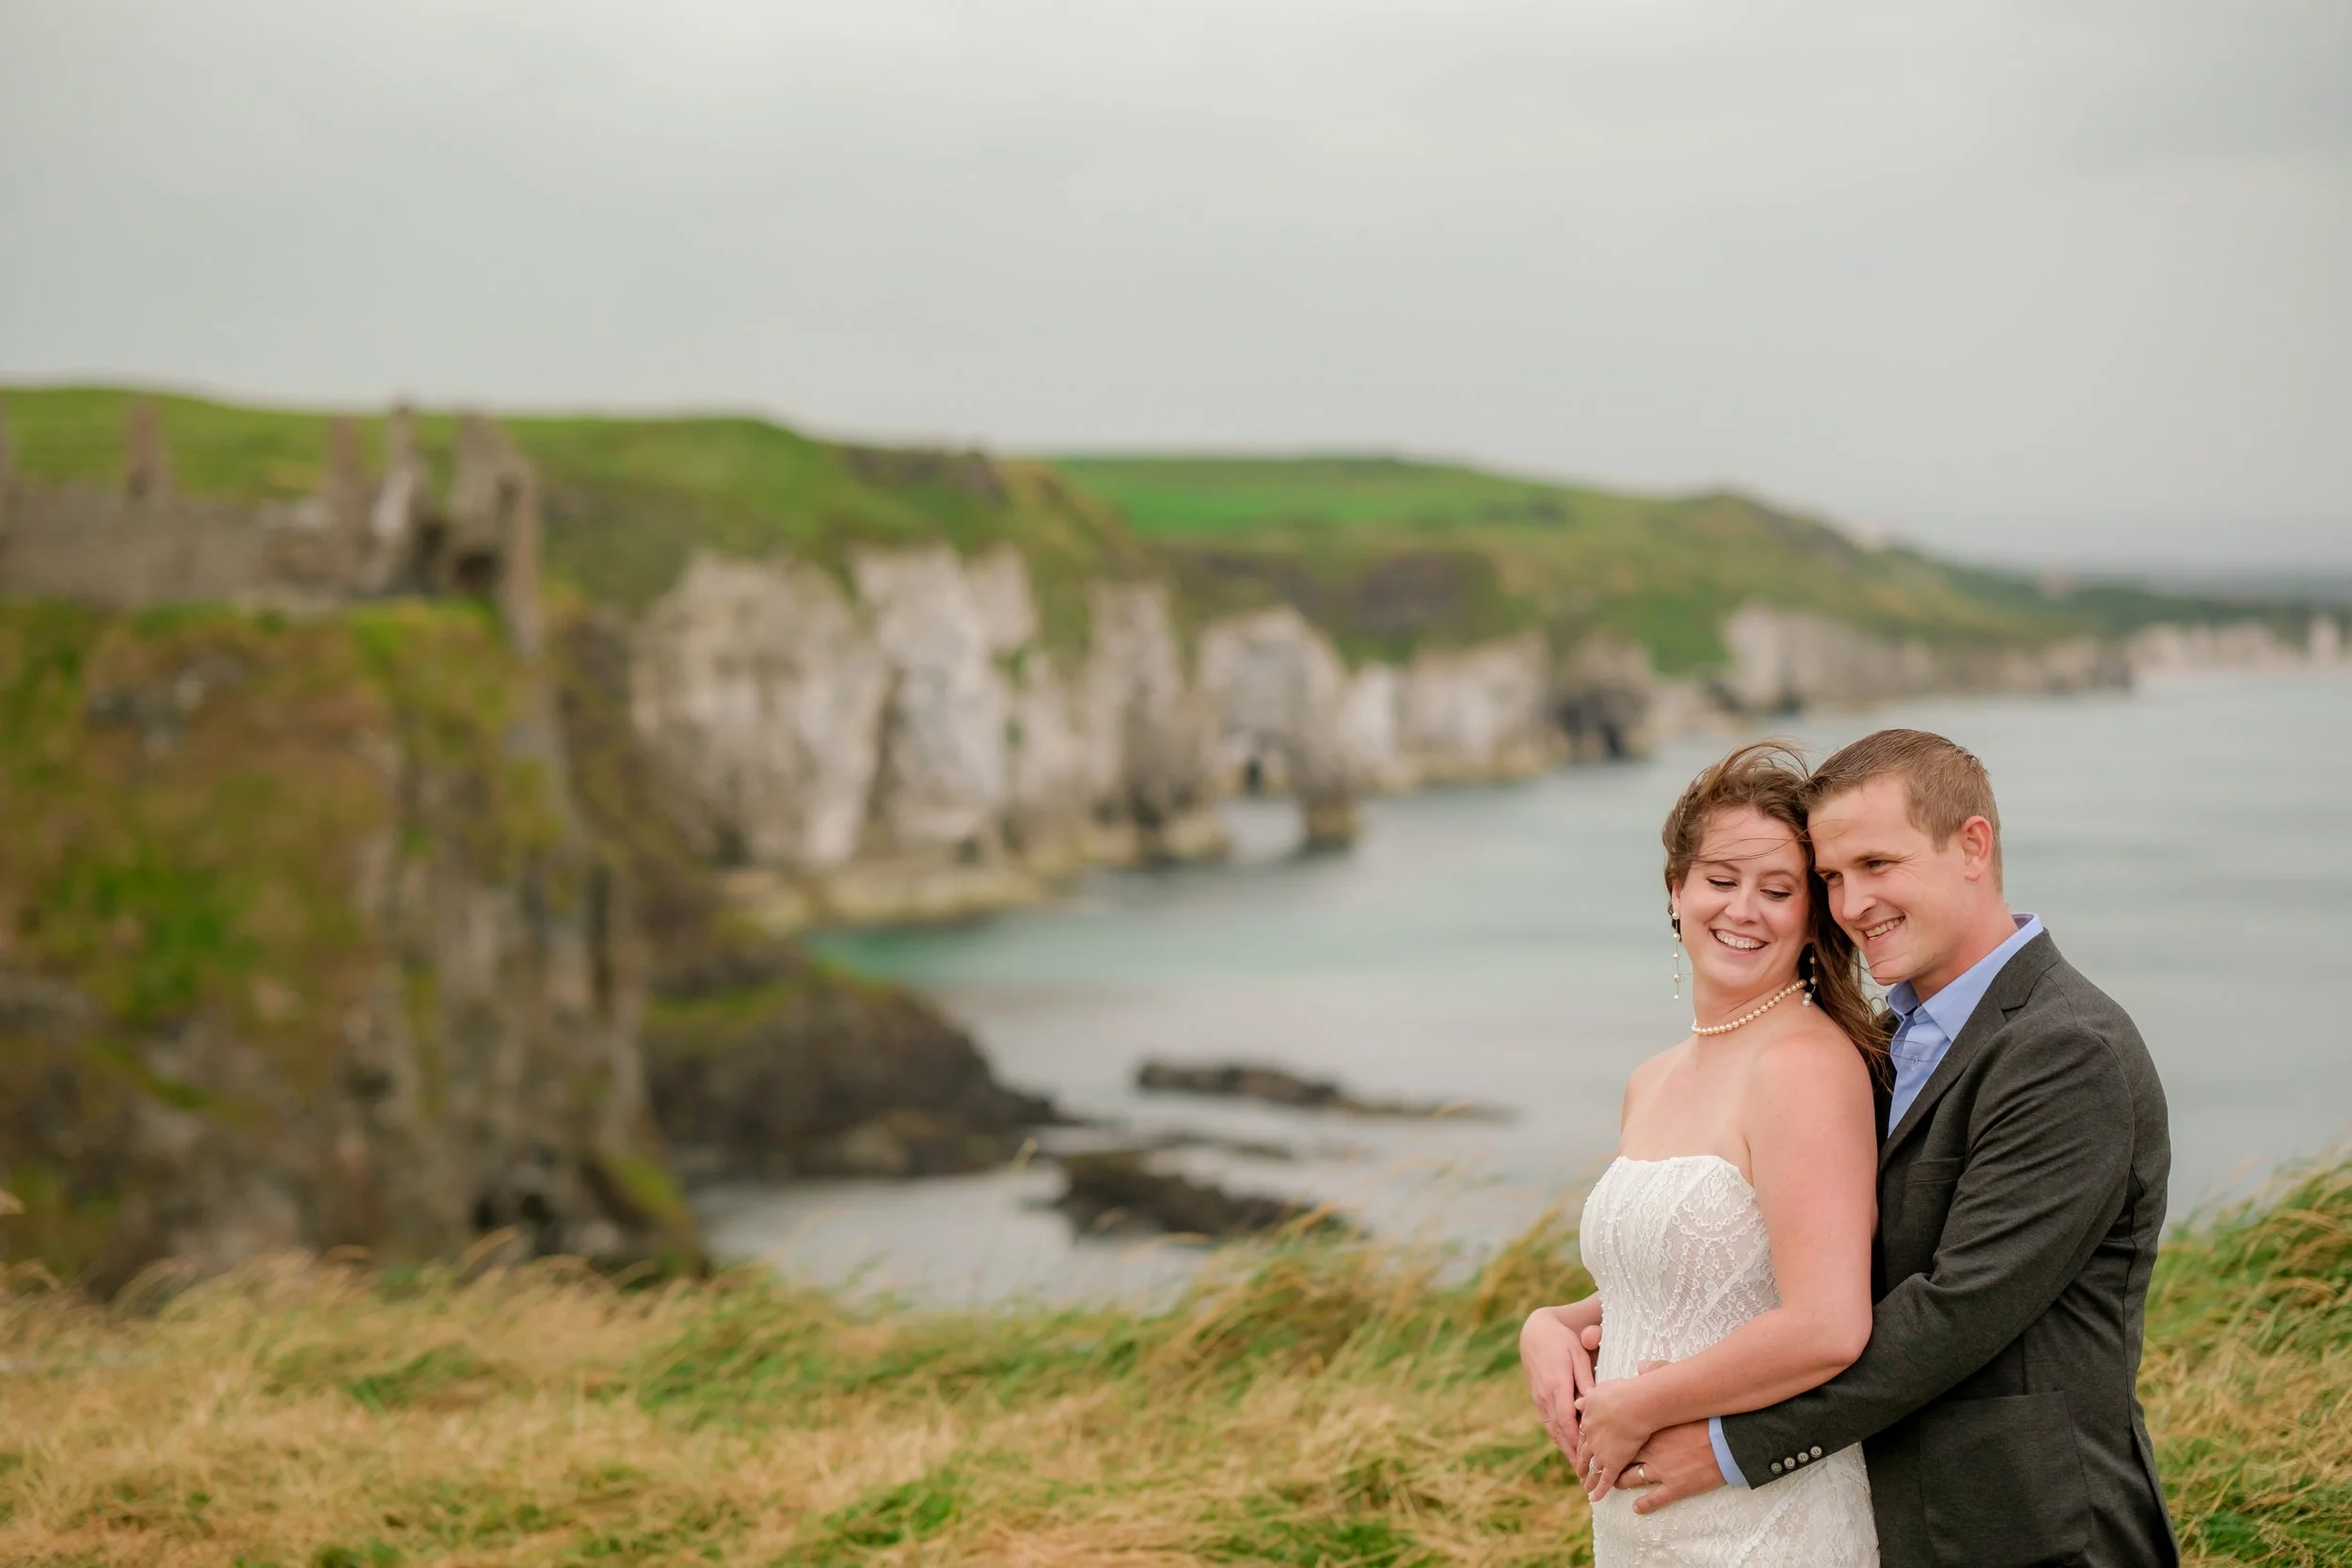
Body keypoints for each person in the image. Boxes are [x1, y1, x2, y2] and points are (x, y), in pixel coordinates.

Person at [1536, 728, 2181, 1567]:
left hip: (2029, 1525)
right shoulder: (1888, 1043)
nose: (1851, 903)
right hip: (1893, 1508)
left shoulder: (2065, 1049)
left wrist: (1732, 1440)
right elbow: (1783, 1251)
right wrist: (1565, 1322)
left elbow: (1956, 1310)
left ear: (1973, 846)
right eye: (1834, 878)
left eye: (1877, 865)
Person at [1522, 738, 1886, 1563]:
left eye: (1778, 890)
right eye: (1721, 880)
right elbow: (1690, 1280)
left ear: (1810, 915)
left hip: (1766, 1523)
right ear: (1676, 892)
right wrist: (1549, 1324)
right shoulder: (1651, 1080)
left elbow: (1828, 1323)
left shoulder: (1807, 1066)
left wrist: (1641, 1402)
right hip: (1645, 1527)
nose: (1743, 910)